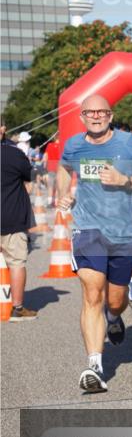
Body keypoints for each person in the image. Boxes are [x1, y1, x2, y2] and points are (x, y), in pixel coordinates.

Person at [57, 95, 132, 392]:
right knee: (92, 293)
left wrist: (126, 181)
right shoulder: (75, 145)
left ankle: (114, 318)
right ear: (82, 116)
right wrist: (65, 193)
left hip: (125, 231)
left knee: (115, 299)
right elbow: (64, 168)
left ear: (111, 115)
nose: (96, 116)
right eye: (90, 112)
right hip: (88, 228)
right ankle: (95, 366)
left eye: (102, 112)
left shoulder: (131, 144)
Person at [1, 122, 38, 321]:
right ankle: (18, 308)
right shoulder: (14, 154)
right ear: (3, 129)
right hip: (11, 217)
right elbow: (28, 174)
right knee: (16, 263)